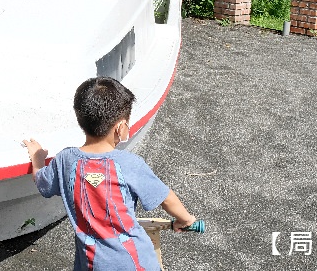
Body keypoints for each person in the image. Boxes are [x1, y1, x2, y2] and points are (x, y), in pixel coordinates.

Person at [22, 77, 197, 270]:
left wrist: (37, 158)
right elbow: (166, 198)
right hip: (135, 261)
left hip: (91, 263)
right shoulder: (130, 164)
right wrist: (186, 220)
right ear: (120, 128)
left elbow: (42, 183)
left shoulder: (65, 160)